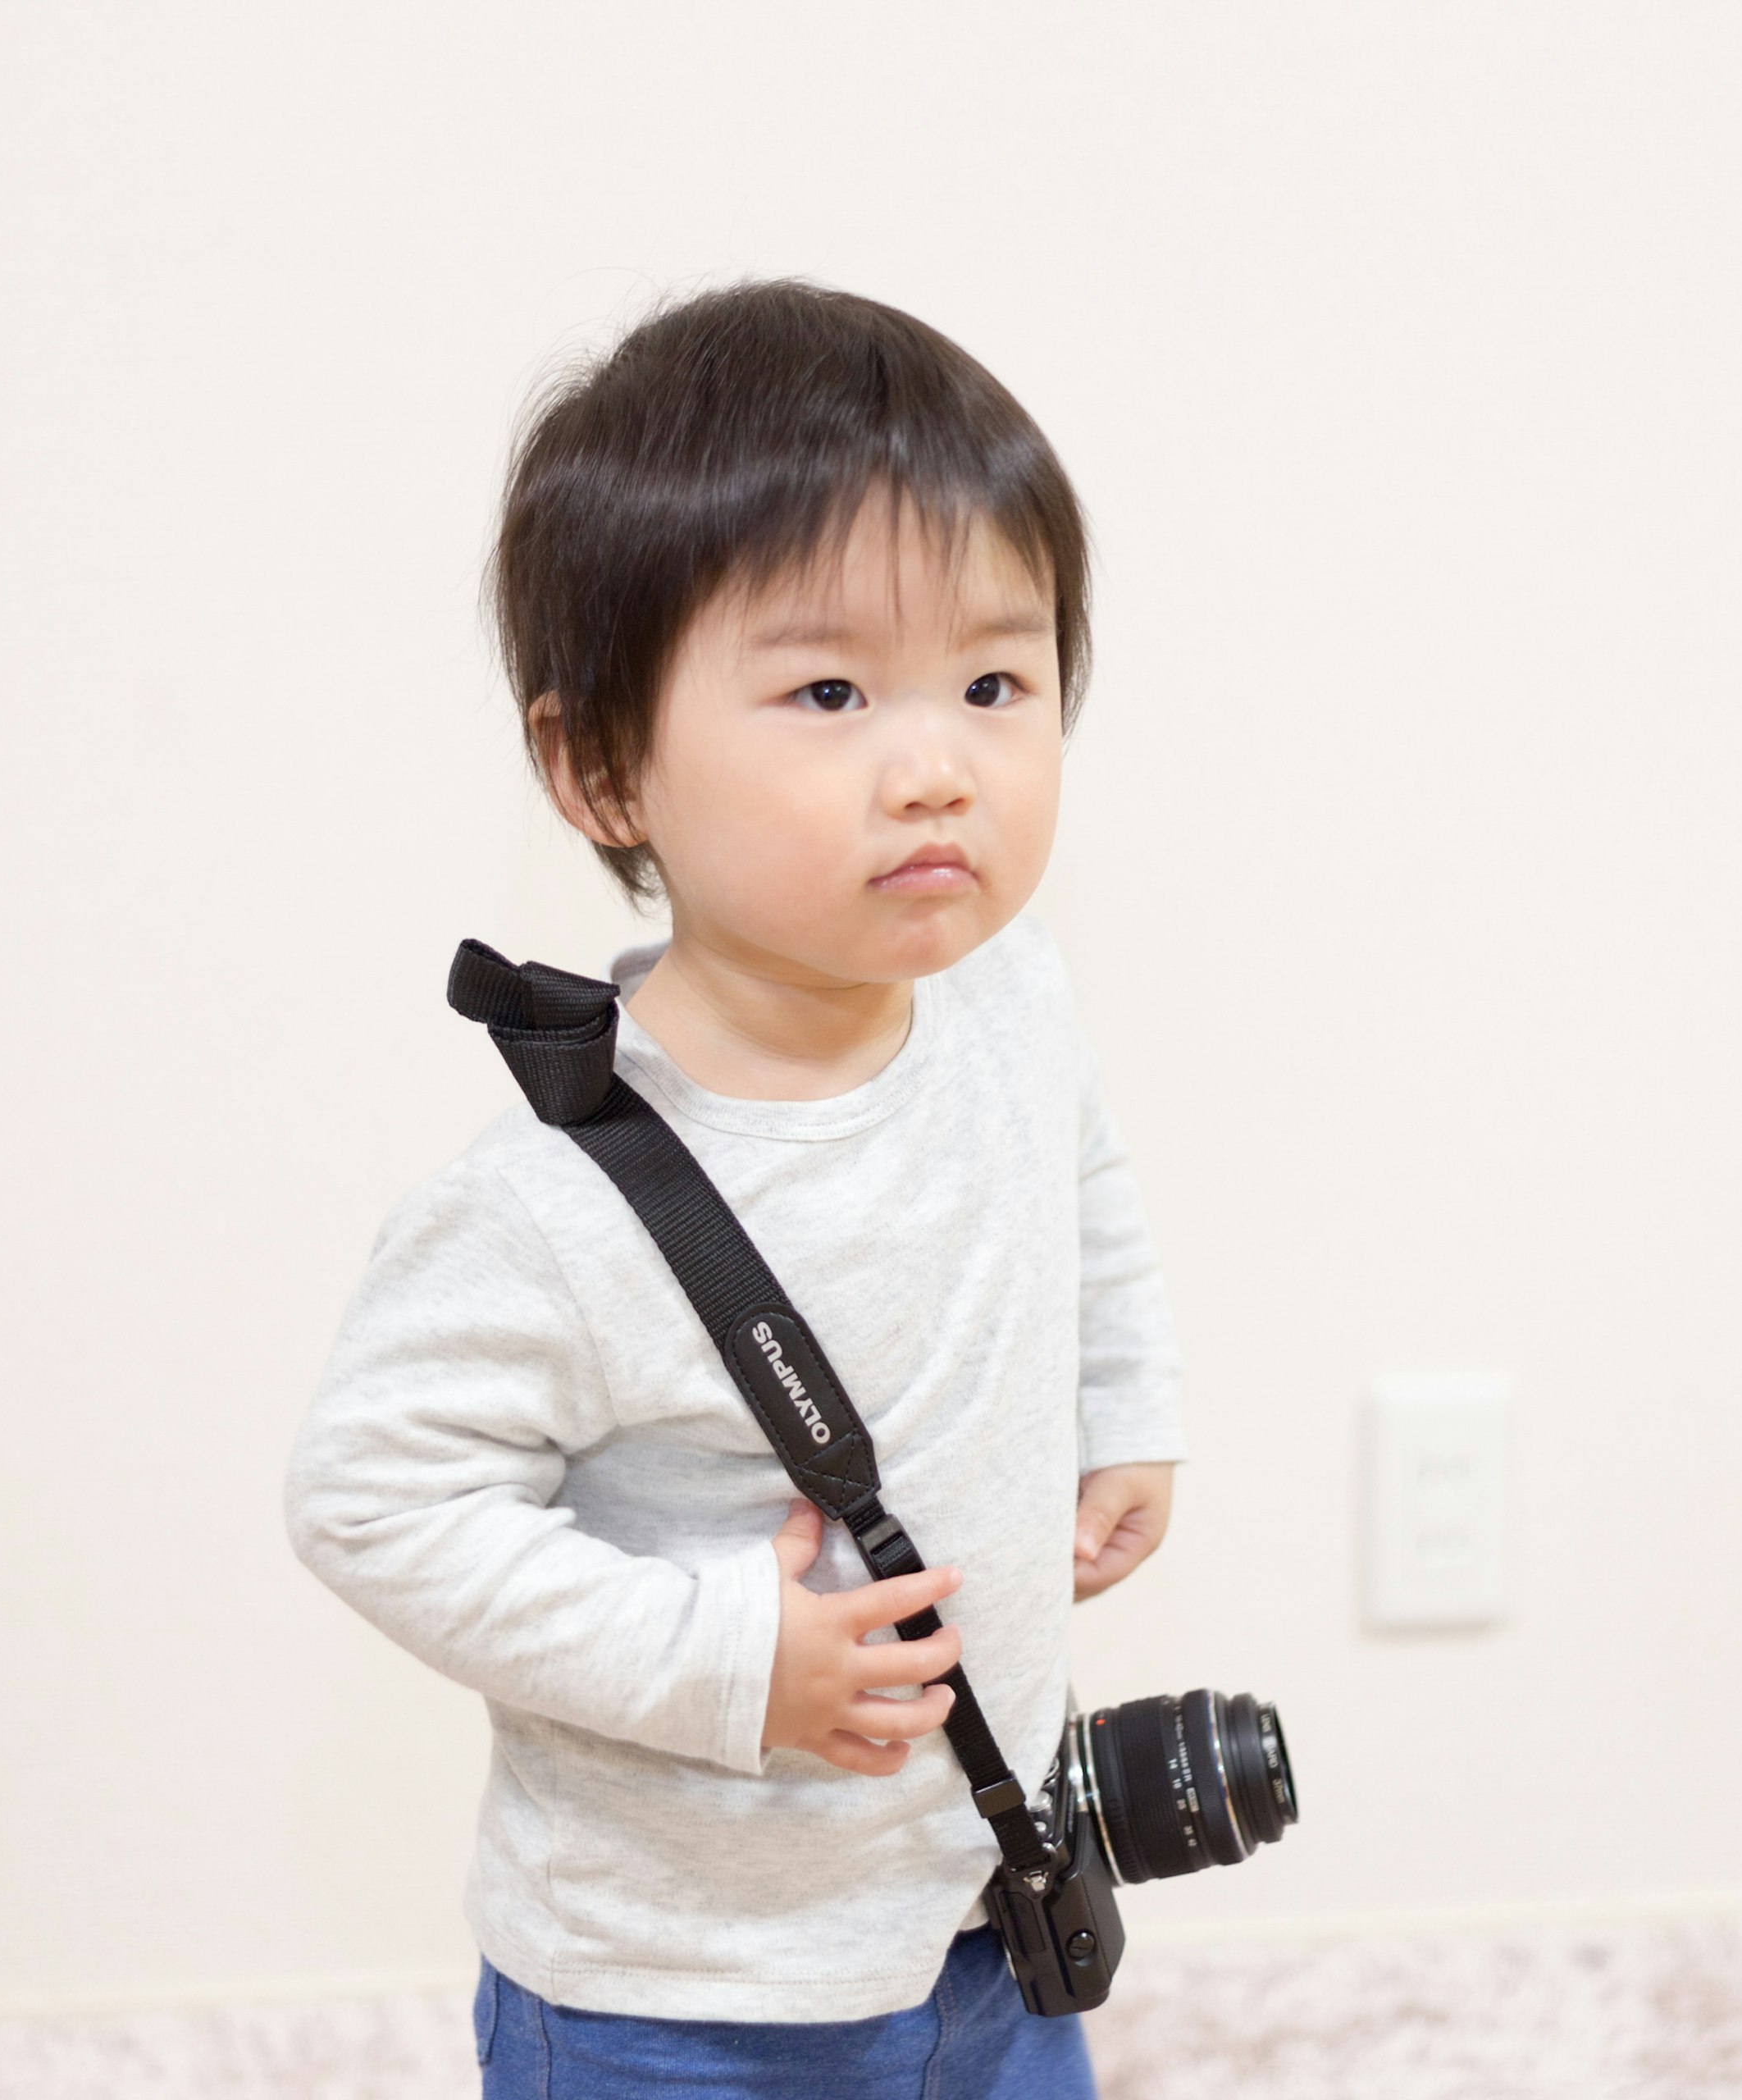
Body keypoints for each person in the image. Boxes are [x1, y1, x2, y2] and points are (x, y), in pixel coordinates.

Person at [285, 279, 1183, 2100]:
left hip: (984, 1898)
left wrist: (1124, 1395)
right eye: (832, 689)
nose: (936, 760)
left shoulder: (1008, 993)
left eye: (996, 681)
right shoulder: (554, 1207)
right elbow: (370, 1501)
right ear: (602, 762)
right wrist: (725, 1658)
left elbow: (1081, 1182)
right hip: (673, 1984)